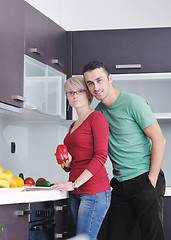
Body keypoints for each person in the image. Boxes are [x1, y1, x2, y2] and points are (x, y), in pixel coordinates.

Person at [82, 60, 166, 240]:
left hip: (144, 178)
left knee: (153, 237)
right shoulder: (99, 113)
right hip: (120, 184)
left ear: (110, 78)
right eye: (90, 83)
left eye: (99, 80)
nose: (96, 87)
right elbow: (93, 150)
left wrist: (150, 180)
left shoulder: (133, 102)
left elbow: (159, 139)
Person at [51, 76, 111, 240]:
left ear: (88, 95)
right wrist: (67, 164)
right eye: (70, 92)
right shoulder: (73, 125)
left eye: (79, 91)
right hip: (76, 190)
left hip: (94, 191)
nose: (75, 95)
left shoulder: (97, 118)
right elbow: (72, 164)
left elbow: (101, 156)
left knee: (85, 238)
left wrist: (75, 183)